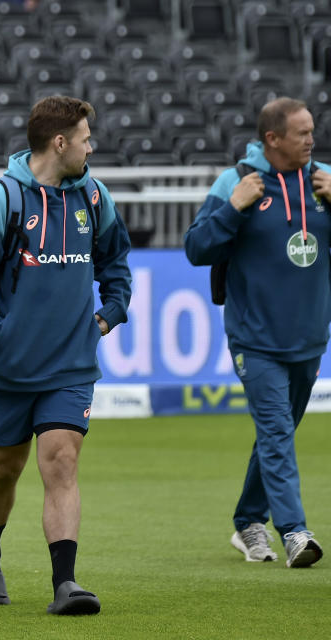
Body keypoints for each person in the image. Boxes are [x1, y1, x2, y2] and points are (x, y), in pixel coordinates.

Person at [0, 96, 132, 615]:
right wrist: (0, 338)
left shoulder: (94, 197)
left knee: (61, 459)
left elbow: (116, 261)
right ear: (60, 143)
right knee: (5, 468)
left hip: (71, 366)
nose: (90, 147)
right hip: (6, 370)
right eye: (84, 138)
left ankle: (66, 583)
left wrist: (109, 313)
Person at [185, 97, 329, 568]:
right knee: (276, 431)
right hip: (254, 339)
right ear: (272, 139)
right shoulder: (238, 181)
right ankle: (294, 532)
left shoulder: (324, 180)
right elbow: (196, 247)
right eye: (302, 132)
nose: (312, 138)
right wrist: (233, 208)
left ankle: (249, 520)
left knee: (277, 434)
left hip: (309, 336)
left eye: (312, 130)